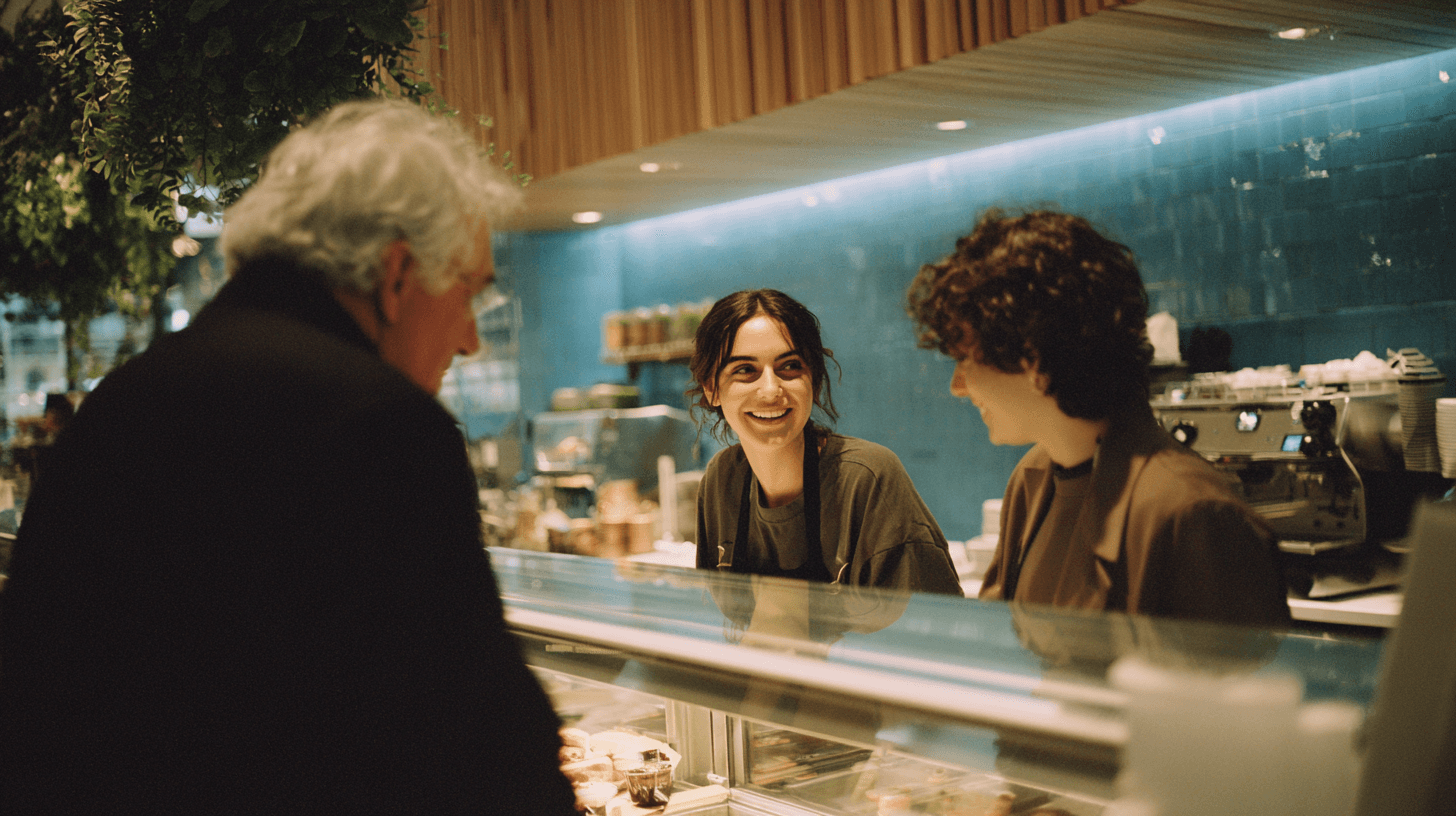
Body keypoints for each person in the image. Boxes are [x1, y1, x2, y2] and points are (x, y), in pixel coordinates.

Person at [0, 99, 577, 814]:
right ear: (396, 276)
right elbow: (481, 750)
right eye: (467, 293)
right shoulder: (380, 423)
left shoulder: (120, 403)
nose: (470, 341)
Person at [906, 209, 1290, 627]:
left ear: (1033, 359)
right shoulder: (1031, 480)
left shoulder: (1194, 514)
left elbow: (1245, 688)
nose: (957, 387)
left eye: (965, 359)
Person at [690, 289, 962, 599]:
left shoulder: (867, 479)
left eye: (789, 366)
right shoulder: (722, 480)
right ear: (711, 387)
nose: (770, 390)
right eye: (744, 370)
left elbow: (931, 630)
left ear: (815, 381)